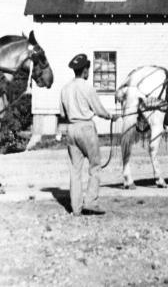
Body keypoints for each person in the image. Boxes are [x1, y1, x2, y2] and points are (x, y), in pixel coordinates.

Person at [59, 53, 114, 216]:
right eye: (88, 69)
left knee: (75, 171)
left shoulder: (65, 89)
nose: (88, 71)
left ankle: (76, 208)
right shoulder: (87, 87)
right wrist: (110, 116)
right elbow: (98, 109)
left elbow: (62, 113)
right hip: (86, 128)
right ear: (84, 70)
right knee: (95, 166)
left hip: (71, 129)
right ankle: (90, 203)